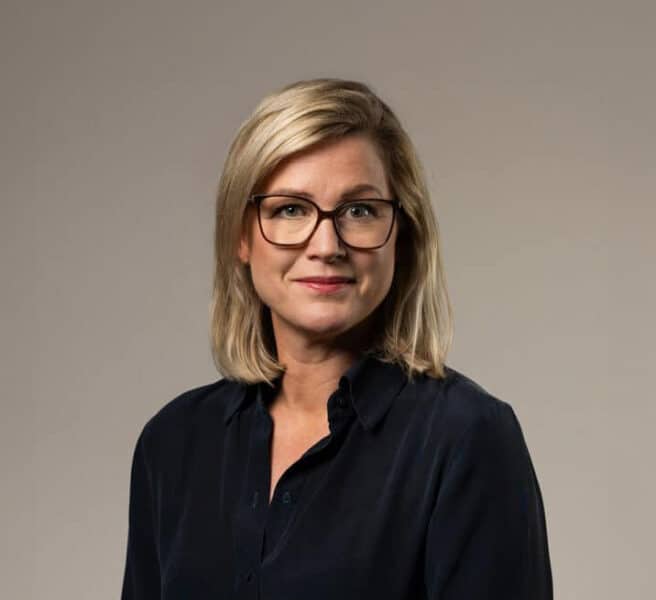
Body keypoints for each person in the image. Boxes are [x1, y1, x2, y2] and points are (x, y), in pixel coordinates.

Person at [121, 78, 553, 599]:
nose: (326, 245)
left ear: (402, 236)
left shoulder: (465, 438)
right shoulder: (172, 444)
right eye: (290, 209)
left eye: (360, 211)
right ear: (241, 235)